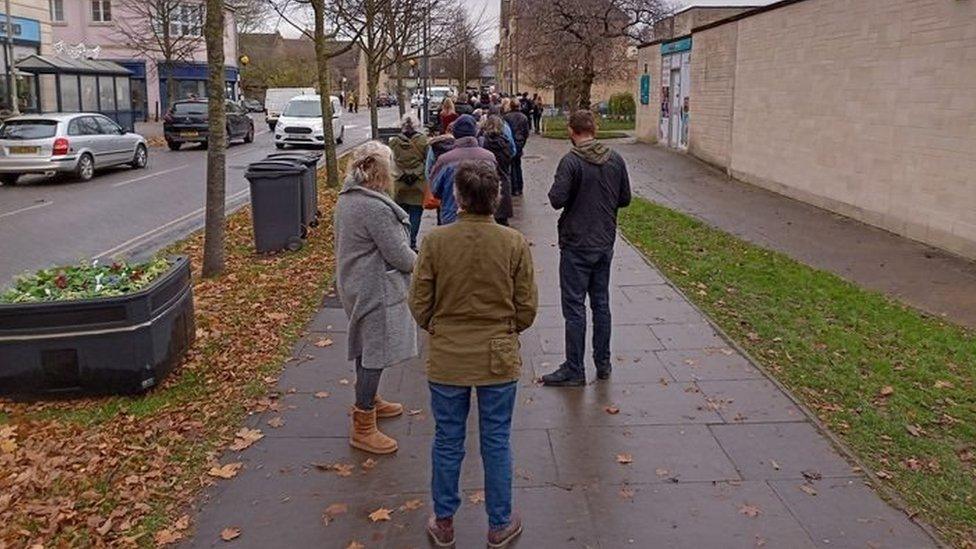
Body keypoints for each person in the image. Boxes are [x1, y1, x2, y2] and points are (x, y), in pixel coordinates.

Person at [409, 161, 538, 549]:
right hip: (498, 355)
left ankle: (444, 521)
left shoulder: (434, 242)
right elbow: (527, 307)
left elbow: (419, 302)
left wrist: (437, 325)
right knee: (496, 439)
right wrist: (506, 328)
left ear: (458, 197)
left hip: (448, 355)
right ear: (495, 197)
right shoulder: (512, 243)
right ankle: (499, 523)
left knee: (448, 439)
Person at [334, 141, 418, 453]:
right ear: (382, 172)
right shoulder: (375, 208)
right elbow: (401, 257)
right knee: (375, 352)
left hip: (355, 284)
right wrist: (425, 264)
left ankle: (369, 399)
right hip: (374, 289)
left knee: (367, 348)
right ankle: (363, 423)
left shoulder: (349, 199)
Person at [541, 110, 631, 387]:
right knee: (601, 303)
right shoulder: (615, 159)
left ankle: (574, 368)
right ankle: (603, 363)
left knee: (575, 306)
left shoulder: (571, 162)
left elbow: (557, 199)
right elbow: (625, 198)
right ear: (595, 128)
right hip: (604, 240)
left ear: (571, 130)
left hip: (576, 242)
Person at [430, 114, 496, 225]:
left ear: (455, 133)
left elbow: (435, 189)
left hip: (452, 216)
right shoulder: (489, 157)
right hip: (483, 216)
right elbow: (494, 187)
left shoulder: (445, 160)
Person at [388, 114, 429, 250]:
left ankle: (401, 242)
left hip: (399, 183)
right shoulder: (423, 141)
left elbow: (390, 162)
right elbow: (427, 162)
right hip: (417, 184)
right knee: (416, 214)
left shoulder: (394, 142)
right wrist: (416, 174)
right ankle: (411, 242)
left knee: (400, 215)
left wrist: (402, 174)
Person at [478, 115, 514, 226]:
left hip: (487, 181)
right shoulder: (506, 142)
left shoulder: (483, 142)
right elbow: (512, 154)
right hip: (503, 180)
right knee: (503, 222)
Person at [502, 99, 530, 197]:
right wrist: (523, 143)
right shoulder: (524, 117)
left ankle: (514, 188)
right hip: (519, 142)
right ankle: (520, 187)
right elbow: (526, 132)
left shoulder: (506, 117)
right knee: (518, 165)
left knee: (512, 165)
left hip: (510, 142)